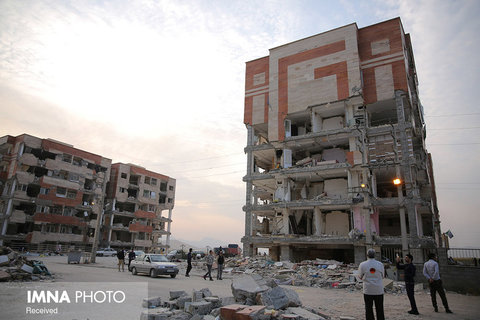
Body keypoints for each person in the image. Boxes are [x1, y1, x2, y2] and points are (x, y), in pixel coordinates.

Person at [358, 248, 385, 320]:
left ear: (367, 255)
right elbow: (383, 276)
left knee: (368, 308)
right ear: (375, 255)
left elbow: (360, 277)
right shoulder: (380, 264)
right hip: (378, 290)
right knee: (380, 308)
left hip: (368, 290)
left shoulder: (362, 264)